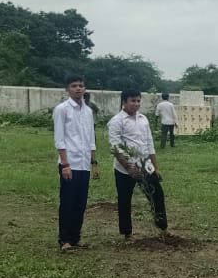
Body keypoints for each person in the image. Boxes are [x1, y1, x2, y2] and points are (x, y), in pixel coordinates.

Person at [108, 90, 168, 242]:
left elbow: (149, 144)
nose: (136, 104)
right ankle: (127, 233)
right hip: (124, 169)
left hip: (144, 164)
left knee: (157, 194)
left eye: (138, 101)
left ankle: (162, 227)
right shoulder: (116, 121)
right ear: (124, 102)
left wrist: (155, 167)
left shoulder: (143, 119)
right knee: (125, 200)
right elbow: (115, 147)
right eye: (133, 101)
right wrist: (129, 168)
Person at [53, 75, 99, 251]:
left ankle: (75, 237)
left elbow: (91, 138)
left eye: (81, 85)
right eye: (74, 86)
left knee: (80, 202)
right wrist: (65, 164)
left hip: (84, 163)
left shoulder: (88, 111)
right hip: (70, 163)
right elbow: (59, 139)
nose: (78, 88)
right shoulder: (62, 110)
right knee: (68, 201)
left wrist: (93, 162)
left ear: (85, 89)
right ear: (68, 89)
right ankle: (64, 239)